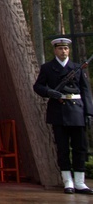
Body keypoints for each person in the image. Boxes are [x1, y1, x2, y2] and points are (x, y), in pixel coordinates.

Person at [34, 37, 93, 194]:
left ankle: (80, 181)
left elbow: (86, 91)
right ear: (55, 50)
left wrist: (89, 112)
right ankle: (67, 180)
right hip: (58, 110)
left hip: (77, 111)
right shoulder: (47, 68)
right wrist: (49, 92)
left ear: (69, 50)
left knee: (80, 147)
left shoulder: (76, 67)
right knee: (63, 148)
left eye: (66, 49)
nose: (63, 51)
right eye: (60, 49)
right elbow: (38, 86)